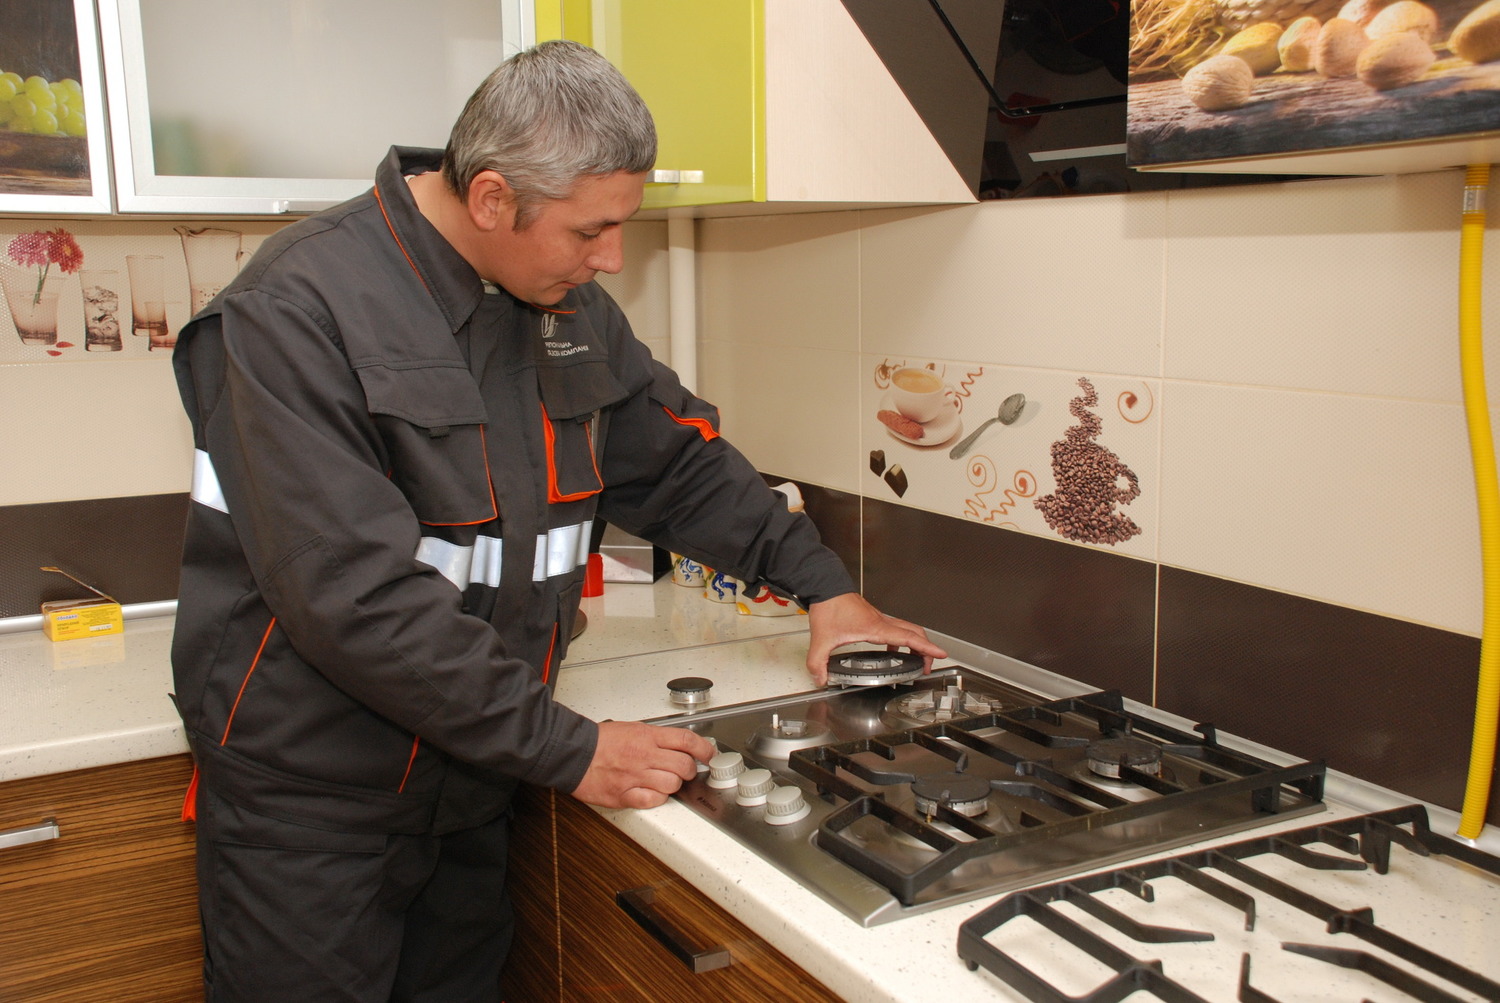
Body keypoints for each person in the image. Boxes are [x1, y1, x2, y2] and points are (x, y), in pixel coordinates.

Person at [170, 38, 944, 1003]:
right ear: (493, 199)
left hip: (474, 772)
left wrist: (824, 587)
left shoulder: (568, 308)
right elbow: (352, 594)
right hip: (313, 805)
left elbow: (678, 467)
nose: (610, 258)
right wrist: (570, 750)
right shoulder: (295, 307)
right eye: (591, 230)